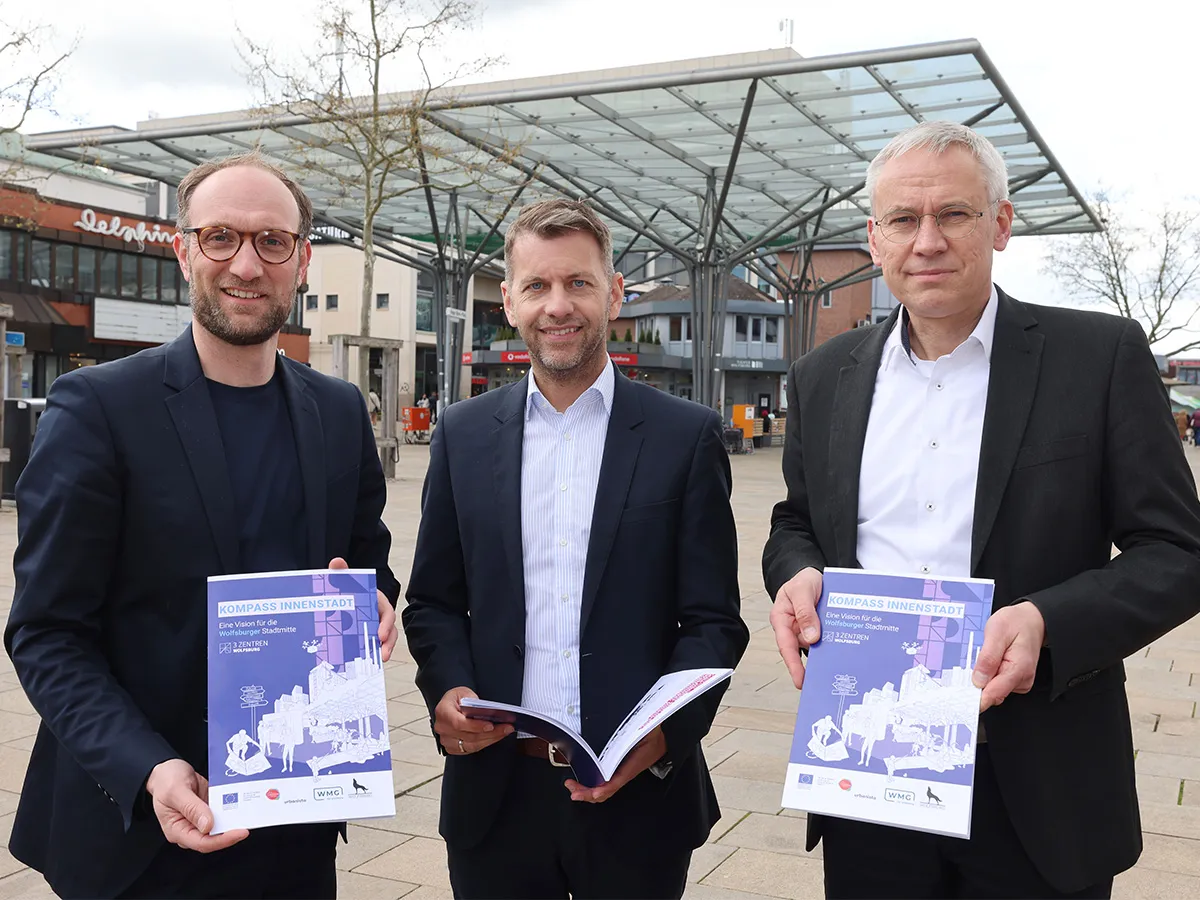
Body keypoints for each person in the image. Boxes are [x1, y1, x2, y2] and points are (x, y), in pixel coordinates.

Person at [762, 122, 1200, 899]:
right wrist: (795, 575)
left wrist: (1048, 622)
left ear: (1000, 223)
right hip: (871, 766)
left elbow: (1177, 551)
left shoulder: (1097, 357)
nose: (926, 240)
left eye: (953, 215)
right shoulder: (824, 376)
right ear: (874, 237)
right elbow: (796, 522)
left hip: (1035, 774)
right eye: (903, 220)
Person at [5, 151, 401, 900]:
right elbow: (47, 633)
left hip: (294, 824)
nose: (245, 264)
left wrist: (373, 605)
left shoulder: (341, 412)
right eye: (220, 236)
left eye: (270, 241)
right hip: (136, 832)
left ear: (302, 259)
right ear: (183, 249)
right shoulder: (98, 410)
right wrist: (148, 766)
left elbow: (368, 564)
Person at [402, 198, 748, 899]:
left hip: (638, 797)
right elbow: (435, 602)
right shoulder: (463, 435)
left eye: (578, 283)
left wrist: (664, 737)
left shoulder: (686, 438)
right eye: (537, 286)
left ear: (614, 292)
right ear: (509, 300)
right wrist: (445, 689)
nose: (558, 306)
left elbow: (713, 621)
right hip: (495, 796)